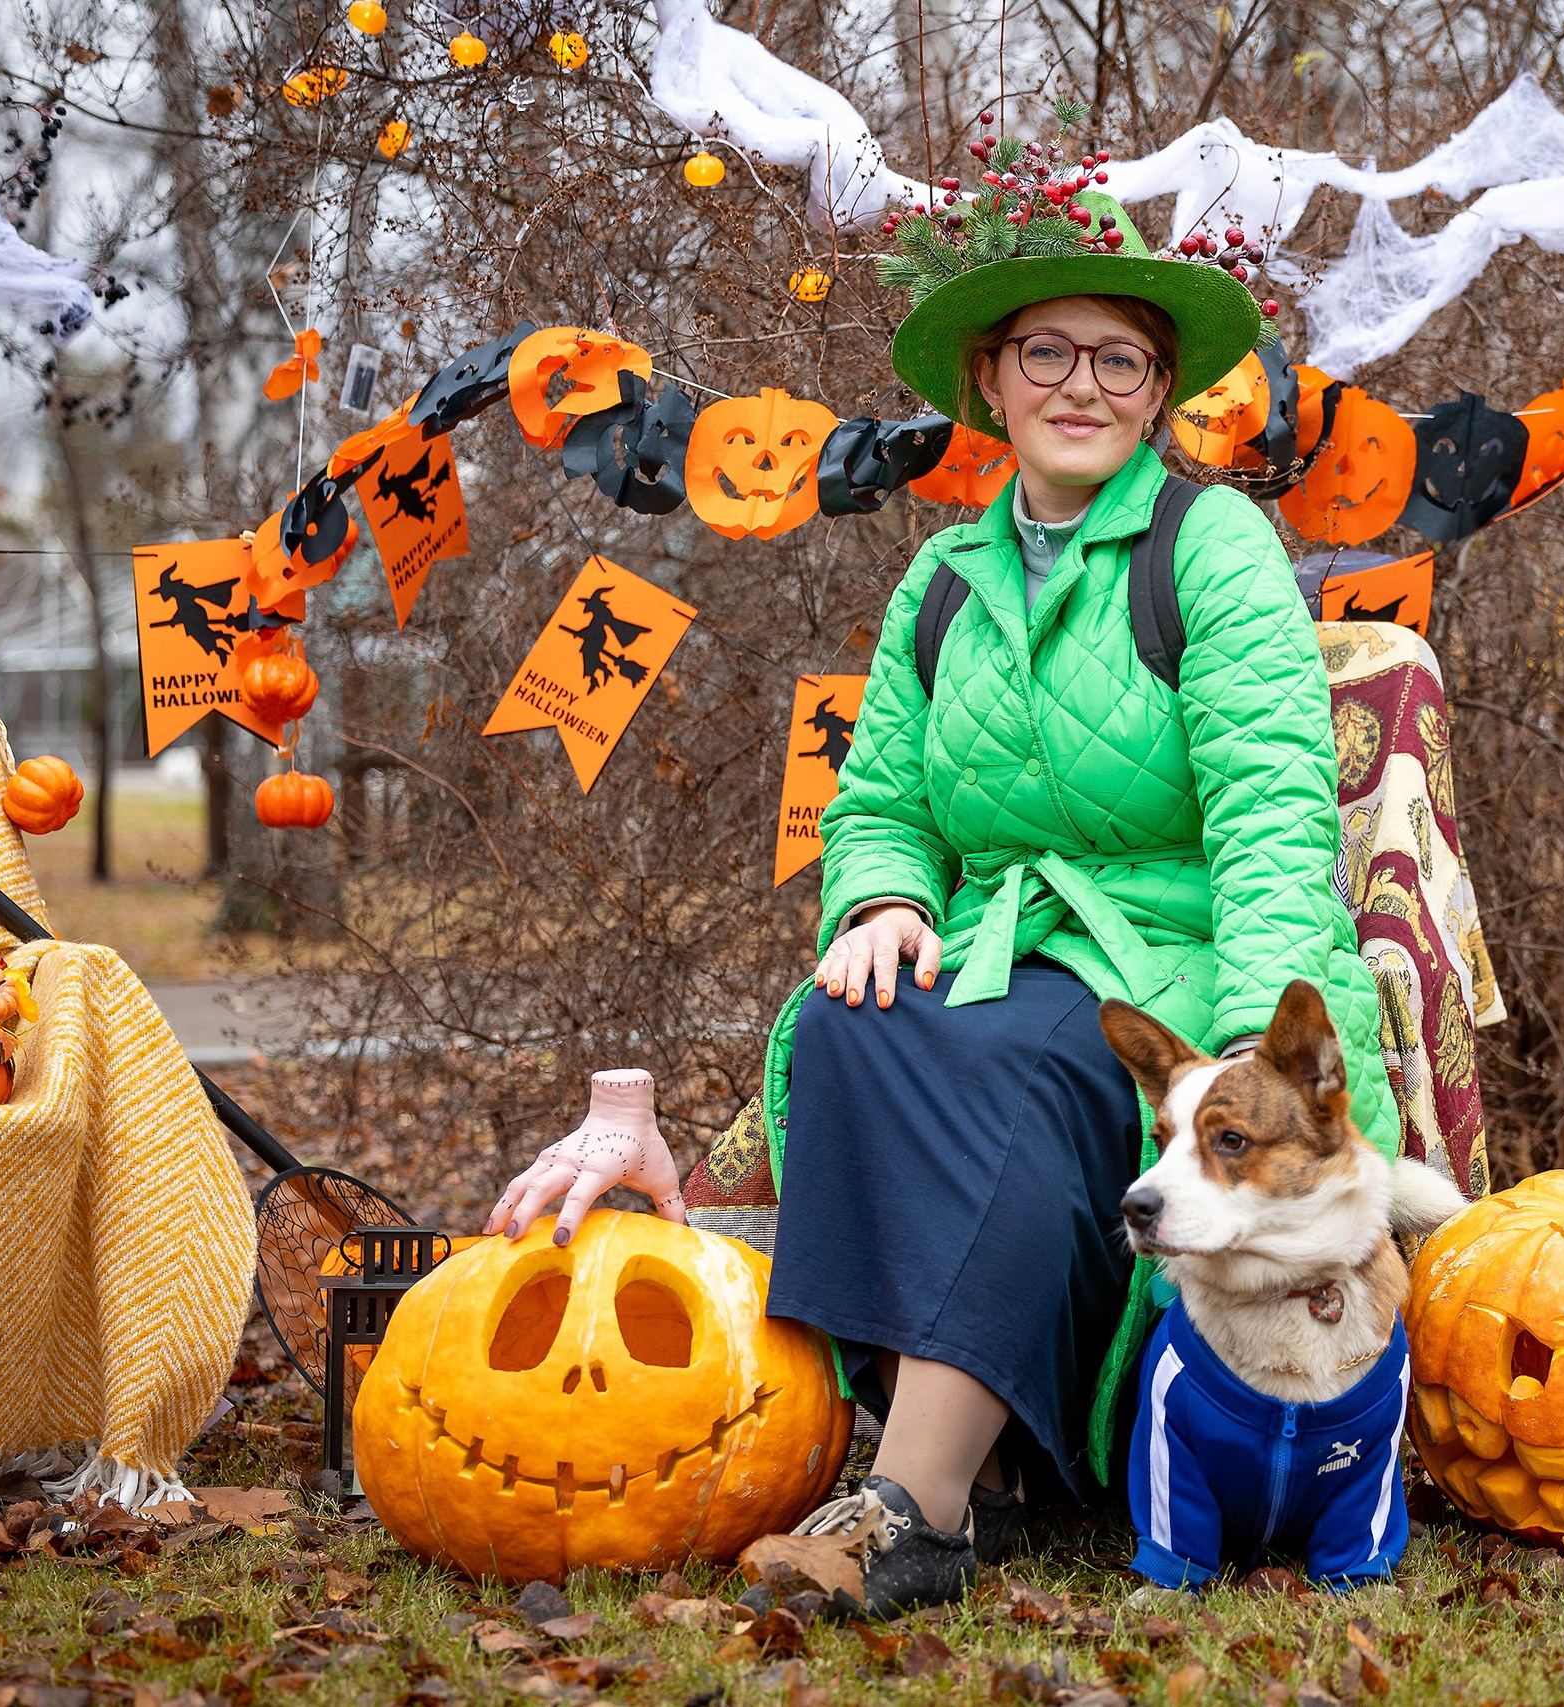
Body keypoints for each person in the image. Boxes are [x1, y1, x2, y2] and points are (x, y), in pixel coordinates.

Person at [488, 186, 1395, 1614]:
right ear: (992, 380)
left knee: (1025, 1060)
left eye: (1118, 360)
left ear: (1160, 391)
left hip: (1161, 967)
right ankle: (959, 1454)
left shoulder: (1205, 550)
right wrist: (881, 904)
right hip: (991, 946)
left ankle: (915, 1511)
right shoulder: (943, 578)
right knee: (847, 1022)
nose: (1079, 385)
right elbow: (883, 801)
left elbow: (1274, 813)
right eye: (1047, 352)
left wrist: (1254, 1060)